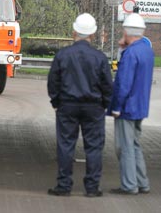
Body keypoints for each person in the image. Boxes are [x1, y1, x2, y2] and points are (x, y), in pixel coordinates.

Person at [47, 13, 113, 197]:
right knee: (93, 146)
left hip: (68, 105)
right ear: (92, 34)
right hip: (93, 107)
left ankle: (64, 185)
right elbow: (108, 84)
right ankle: (92, 188)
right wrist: (105, 104)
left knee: (66, 145)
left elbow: (53, 81)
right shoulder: (99, 57)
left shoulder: (63, 55)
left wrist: (56, 101)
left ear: (74, 31)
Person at [109, 13, 154, 195]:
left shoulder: (130, 53)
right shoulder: (146, 50)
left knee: (124, 147)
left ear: (127, 32)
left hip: (127, 107)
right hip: (140, 106)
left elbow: (123, 82)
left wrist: (116, 107)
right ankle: (142, 182)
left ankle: (129, 185)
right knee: (134, 144)